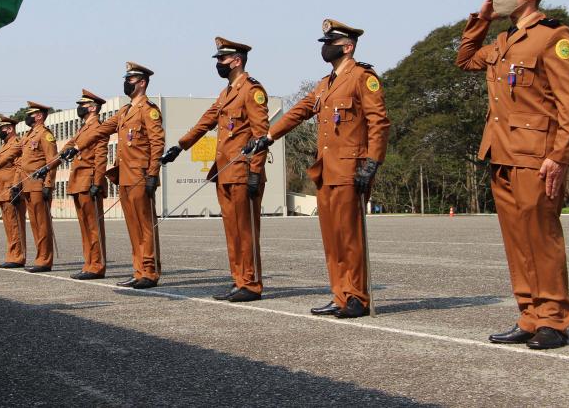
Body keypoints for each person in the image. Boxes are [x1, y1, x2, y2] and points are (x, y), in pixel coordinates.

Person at [455, 0, 569, 350]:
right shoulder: (502, 41)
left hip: (536, 155)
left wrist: (560, 156)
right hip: (501, 153)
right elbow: (464, 59)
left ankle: (554, 320)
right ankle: (529, 314)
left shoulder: (552, 37)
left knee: (541, 238)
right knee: (517, 241)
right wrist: (481, 16)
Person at [251, 19, 390, 318]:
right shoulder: (325, 84)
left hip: (351, 169)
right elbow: (299, 111)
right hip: (326, 170)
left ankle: (357, 297)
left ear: (348, 46)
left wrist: (372, 162)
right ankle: (340, 294)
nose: (326, 48)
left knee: (350, 238)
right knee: (332, 238)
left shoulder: (362, 77)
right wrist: (268, 136)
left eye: (331, 43)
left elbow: (379, 122)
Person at [161, 38, 269, 302]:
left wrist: (256, 171)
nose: (218, 64)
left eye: (222, 59)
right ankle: (239, 281)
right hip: (224, 172)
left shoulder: (251, 90)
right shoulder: (226, 93)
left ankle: (252, 283)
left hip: (243, 172)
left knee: (246, 231)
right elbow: (205, 122)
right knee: (232, 231)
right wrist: (180, 146)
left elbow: (261, 134)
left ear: (237, 60)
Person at [67, 62, 165, 289]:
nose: (126, 83)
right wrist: (77, 146)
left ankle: (150, 272)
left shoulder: (148, 110)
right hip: (125, 176)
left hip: (141, 175)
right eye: (126, 79)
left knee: (146, 225)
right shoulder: (125, 111)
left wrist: (152, 173)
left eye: (130, 80)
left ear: (142, 83)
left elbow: (157, 143)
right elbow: (100, 130)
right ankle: (139, 270)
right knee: (133, 226)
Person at [58, 90, 109, 280]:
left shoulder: (97, 127)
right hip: (78, 181)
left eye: (83, 105)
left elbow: (101, 157)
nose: (80, 108)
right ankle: (88, 263)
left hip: (89, 181)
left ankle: (97, 265)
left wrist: (98, 182)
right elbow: (67, 148)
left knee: (93, 226)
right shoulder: (82, 129)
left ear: (93, 108)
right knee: (85, 227)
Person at [14, 101, 58, 273]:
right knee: (34, 224)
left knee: (43, 224)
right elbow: (21, 159)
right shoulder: (28, 135)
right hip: (27, 186)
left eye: (30, 113)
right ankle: (40, 257)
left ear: (39, 116)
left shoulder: (45, 135)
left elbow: (52, 161)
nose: (28, 116)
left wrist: (48, 183)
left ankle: (45, 260)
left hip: (39, 186)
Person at [0, 115, 27, 268]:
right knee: (9, 225)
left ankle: (17, 257)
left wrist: (16, 186)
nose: (0, 131)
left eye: (2, 128)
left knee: (15, 224)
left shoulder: (17, 142)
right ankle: (12, 255)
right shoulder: (5, 145)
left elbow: (19, 167)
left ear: (9, 129)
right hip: (2, 188)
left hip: (12, 188)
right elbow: (4, 166)